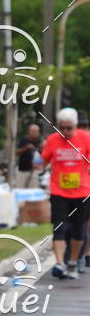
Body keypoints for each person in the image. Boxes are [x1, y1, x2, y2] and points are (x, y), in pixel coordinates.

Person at [41, 107, 90, 280]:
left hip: (81, 191)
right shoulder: (52, 140)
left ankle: (73, 262)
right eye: (61, 128)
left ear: (76, 125)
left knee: (79, 229)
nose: (65, 131)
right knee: (59, 228)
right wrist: (39, 164)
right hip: (59, 191)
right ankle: (60, 263)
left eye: (69, 128)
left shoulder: (86, 138)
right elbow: (43, 159)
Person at [16, 123, 42, 188]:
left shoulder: (40, 142)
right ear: (29, 131)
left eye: (36, 131)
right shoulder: (24, 140)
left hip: (34, 171)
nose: (34, 133)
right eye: (33, 131)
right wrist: (26, 148)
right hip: (23, 170)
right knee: (20, 189)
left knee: (33, 190)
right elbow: (16, 152)